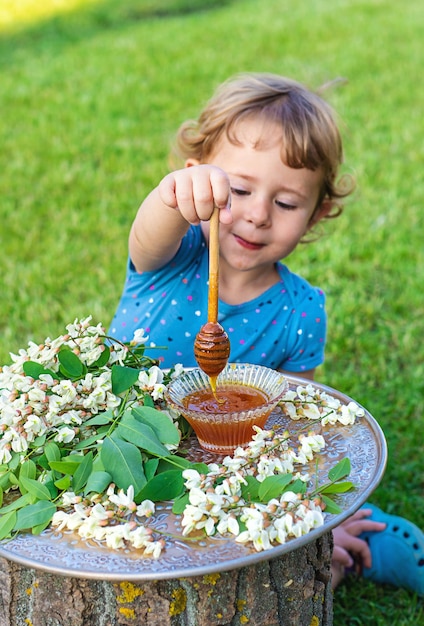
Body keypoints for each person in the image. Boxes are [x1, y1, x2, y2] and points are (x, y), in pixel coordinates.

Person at [110, 73, 424, 594]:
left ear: (317, 213)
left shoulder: (301, 311)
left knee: (293, 541)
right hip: (126, 454)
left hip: (230, 474)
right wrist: (172, 198)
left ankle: (345, 542)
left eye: (285, 204)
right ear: (198, 181)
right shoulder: (168, 256)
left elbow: (291, 424)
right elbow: (149, 229)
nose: (256, 215)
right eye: (236, 190)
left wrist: (314, 509)